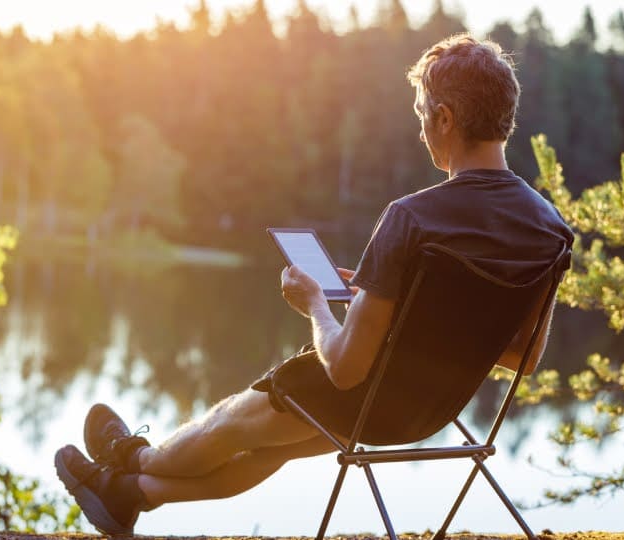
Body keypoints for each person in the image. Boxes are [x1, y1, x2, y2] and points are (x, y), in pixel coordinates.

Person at [53, 33, 574, 535]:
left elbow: (346, 371)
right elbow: (523, 358)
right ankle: (129, 493)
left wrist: (317, 305)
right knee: (271, 447)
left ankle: (130, 459)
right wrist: (395, 306)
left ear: (445, 117)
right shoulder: (550, 229)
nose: (421, 132)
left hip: (360, 399)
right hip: (427, 414)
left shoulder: (413, 219)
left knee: (229, 423)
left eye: (422, 116)